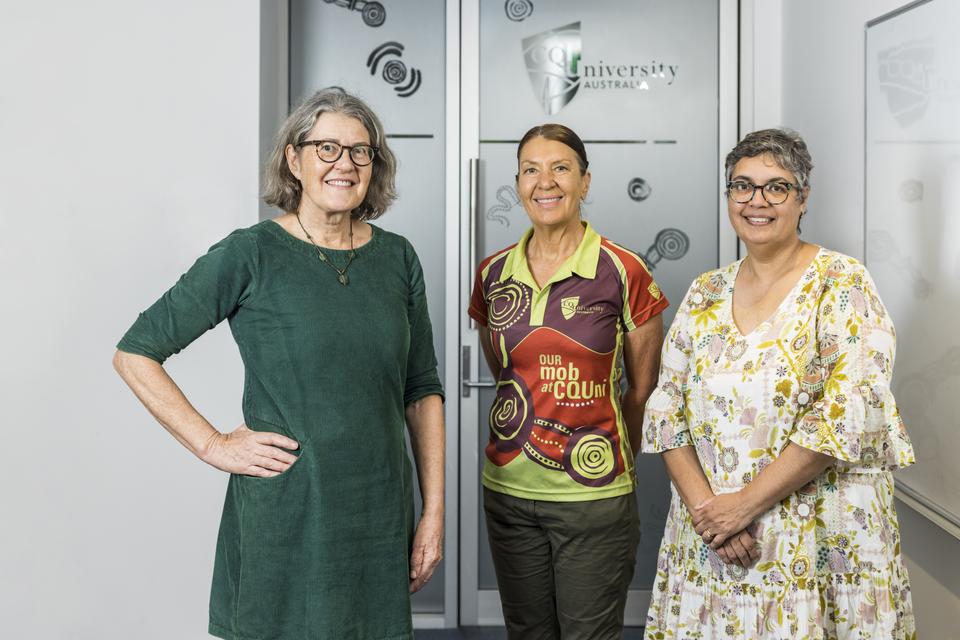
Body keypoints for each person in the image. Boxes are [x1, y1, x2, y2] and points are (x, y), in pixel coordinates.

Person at [113, 88, 444, 640]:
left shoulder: (397, 257)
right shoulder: (251, 254)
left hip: (377, 514)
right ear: (294, 158)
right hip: (285, 514)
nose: (345, 163)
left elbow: (421, 387)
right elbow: (136, 352)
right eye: (327, 148)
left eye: (361, 152)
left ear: (375, 166)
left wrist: (432, 512)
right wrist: (212, 443)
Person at [642, 128, 916, 638]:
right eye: (742, 186)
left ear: (803, 198)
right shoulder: (705, 291)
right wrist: (712, 517)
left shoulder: (842, 283)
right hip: (712, 540)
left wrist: (742, 507)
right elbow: (666, 412)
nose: (756, 201)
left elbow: (845, 416)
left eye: (776, 187)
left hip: (813, 543)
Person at [468, 123, 669, 639]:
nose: (545, 182)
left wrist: (603, 445)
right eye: (531, 170)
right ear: (517, 184)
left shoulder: (624, 270)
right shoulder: (493, 274)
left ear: (585, 181)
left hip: (592, 499)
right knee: (528, 633)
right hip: (508, 490)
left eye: (561, 168)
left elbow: (642, 391)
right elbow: (507, 373)